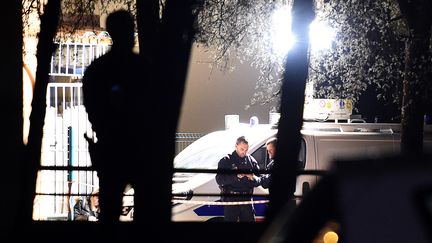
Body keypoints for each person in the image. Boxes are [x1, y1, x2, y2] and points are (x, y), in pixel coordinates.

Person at [82, 10, 150, 224]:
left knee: (110, 210)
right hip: (138, 149)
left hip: (111, 148)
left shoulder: (97, 70)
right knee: (147, 212)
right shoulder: (143, 68)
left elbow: (92, 108)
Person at [215, 136, 262, 222]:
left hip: (246, 200)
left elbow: (260, 180)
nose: (244, 152)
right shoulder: (226, 160)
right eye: (242, 149)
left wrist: (253, 177)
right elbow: (219, 180)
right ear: (236, 146)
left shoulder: (251, 161)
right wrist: (236, 176)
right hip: (232, 200)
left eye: (246, 149)